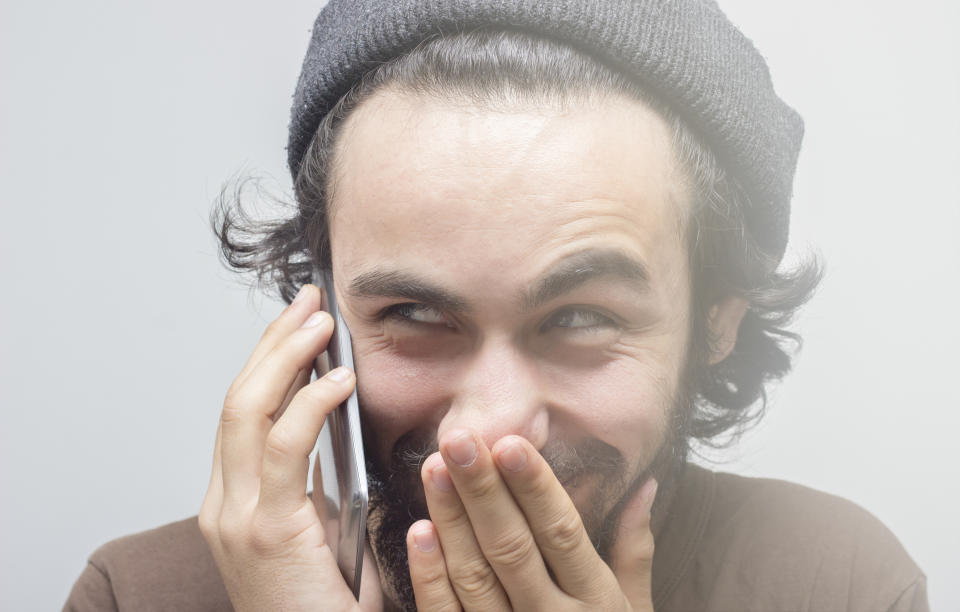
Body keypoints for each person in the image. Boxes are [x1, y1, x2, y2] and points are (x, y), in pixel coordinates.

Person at [64, 1, 928, 610]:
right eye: (412, 314)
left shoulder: (836, 582)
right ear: (315, 317)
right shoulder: (138, 594)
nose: (489, 431)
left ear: (716, 321)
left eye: (581, 319)